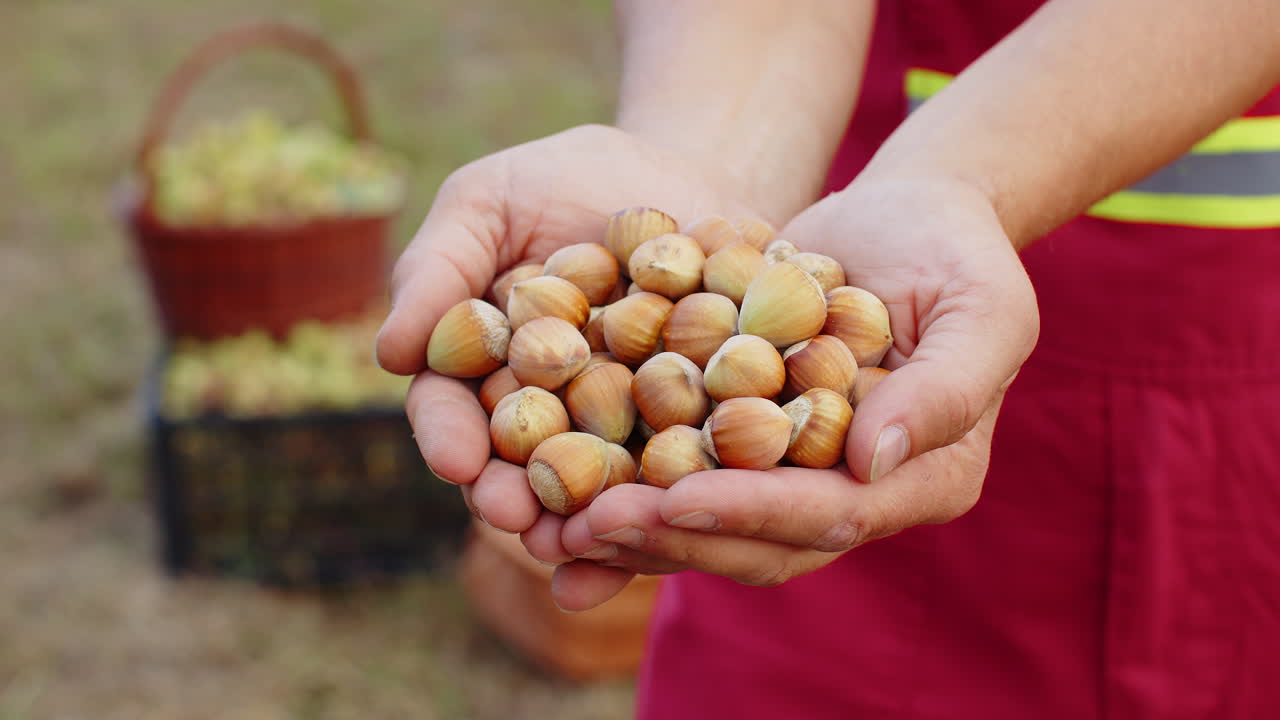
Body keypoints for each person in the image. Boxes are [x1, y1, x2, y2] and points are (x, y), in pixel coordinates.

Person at [377, 1, 1280, 716]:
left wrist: (965, 179)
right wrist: (701, 160)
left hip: (1204, 365)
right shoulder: (780, 337)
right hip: (858, 266)